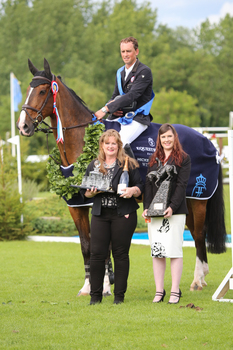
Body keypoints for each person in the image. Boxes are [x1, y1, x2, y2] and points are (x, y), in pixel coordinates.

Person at [82, 129, 144, 305]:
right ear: (102, 145)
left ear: (119, 146)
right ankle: (95, 297)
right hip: (100, 215)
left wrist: (132, 190)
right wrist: (90, 193)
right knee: (97, 255)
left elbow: (140, 186)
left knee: (120, 255)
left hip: (123, 214)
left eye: (114, 143)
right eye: (107, 143)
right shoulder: (94, 165)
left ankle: (119, 297)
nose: (110, 146)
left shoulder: (128, 163)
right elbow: (85, 192)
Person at [142, 123, 191, 304]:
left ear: (174, 137)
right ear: (159, 140)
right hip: (154, 213)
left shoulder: (183, 159)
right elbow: (148, 185)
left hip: (175, 212)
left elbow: (181, 185)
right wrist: (147, 207)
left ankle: (175, 290)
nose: (167, 140)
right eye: (163, 137)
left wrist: (171, 206)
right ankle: (159, 291)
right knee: (157, 252)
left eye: (169, 136)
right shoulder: (153, 159)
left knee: (174, 251)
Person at [94, 36, 154, 151]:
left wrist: (105, 109)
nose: (125, 54)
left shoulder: (144, 71)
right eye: (123, 51)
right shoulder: (120, 72)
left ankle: (130, 169)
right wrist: (113, 110)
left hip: (138, 117)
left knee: (120, 141)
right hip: (120, 116)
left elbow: (132, 96)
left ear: (136, 51)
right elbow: (115, 96)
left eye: (128, 51)